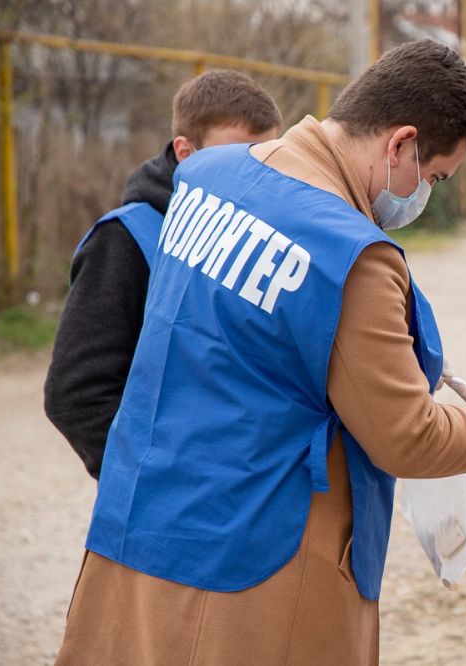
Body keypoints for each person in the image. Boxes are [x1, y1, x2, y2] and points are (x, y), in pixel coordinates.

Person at [54, 40, 466, 665]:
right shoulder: (351, 254)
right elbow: (408, 437)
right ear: (400, 143)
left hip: (140, 525)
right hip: (257, 572)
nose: (425, 194)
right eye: (432, 177)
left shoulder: (205, 176)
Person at [44, 69, 283, 479]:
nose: (254, 175)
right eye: (236, 157)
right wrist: (159, 479)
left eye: (266, 157)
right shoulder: (125, 239)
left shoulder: (263, 234)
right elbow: (76, 394)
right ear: (185, 152)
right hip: (174, 504)